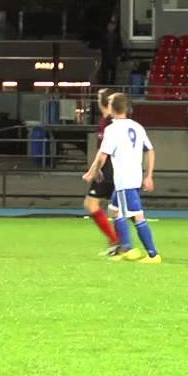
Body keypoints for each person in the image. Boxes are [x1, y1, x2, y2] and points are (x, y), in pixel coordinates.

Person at [82, 93, 160, 263]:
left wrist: (92, 171)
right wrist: (149, 175)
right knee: (114, 210)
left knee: (137, 216)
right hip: (130, 177)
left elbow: (102, 155)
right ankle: (127, 248)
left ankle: (153, 254)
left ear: (111, 108)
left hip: (125, 179)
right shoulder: (137, 126)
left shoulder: (112, 129)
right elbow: (150, 150)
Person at [83, 89, 121, 255]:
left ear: (102, 101)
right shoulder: (107, 121)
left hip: (108, 170)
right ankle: (118, 243)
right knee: (116, 208)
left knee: (92, 204)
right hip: (112, 169)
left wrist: (94, 170)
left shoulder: (109, 123)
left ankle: (116, 242)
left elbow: (104, 152)